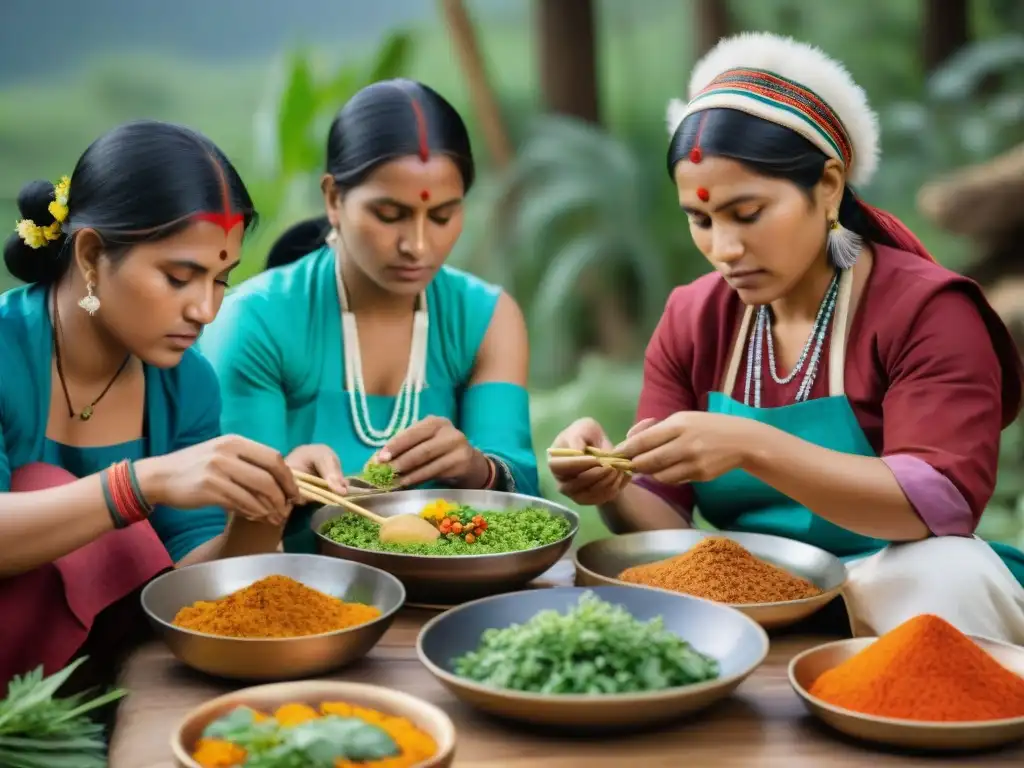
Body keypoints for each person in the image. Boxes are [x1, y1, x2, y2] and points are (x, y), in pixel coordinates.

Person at [547, 32, 1024, 643]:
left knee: (947, 571)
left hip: (900, 595)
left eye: (748, 214)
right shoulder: (695, 317)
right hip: (753, 601)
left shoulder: (927, 312)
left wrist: (752, 445)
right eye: (701, 219)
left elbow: (936, 507)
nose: (724, 249)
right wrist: (611, 483)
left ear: (827, 185)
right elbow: (663, 514)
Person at [0, 119, 335, 687]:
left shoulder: (186, 383)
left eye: (221, 280)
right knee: (43, 485)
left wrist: (261, 505)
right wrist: (142, 483)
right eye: (181, 277)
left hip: (114, 683)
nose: (205, 309)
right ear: (90, 254)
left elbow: (183, 584)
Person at [199, 79, 538, 553]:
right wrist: (282, 489)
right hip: (297, 603)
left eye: (442, 217)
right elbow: (218, 540)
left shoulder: (487, 318)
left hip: (450, 598)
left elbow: (525, 505)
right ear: (334, 199)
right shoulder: (255, 322)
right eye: (389, 214)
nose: (417, 245)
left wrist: (477, 470)